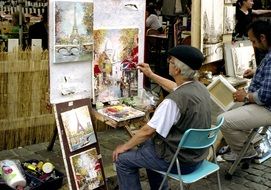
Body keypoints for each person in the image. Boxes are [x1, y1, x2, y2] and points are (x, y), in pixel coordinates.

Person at [112, 45, 211, 189]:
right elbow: (174, 87)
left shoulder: (172, 102)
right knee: (145, 144)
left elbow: (147, 131)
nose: (168, 63)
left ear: (177, 69)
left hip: (180, 161)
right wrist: (150, 74)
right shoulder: (199, 87)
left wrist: (123, 147)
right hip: (196, 156)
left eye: (170, 61)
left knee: (122, 160)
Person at [219, 20, 271, 161]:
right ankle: (243, 145)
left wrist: (246, 96)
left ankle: (245, 152)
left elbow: (266, 96)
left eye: (253, 41)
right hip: (263, 105)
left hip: (267, 108)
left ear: (262, 38)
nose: (253, 45)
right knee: (227, 106)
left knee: (222, 120)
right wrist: (256, 71)